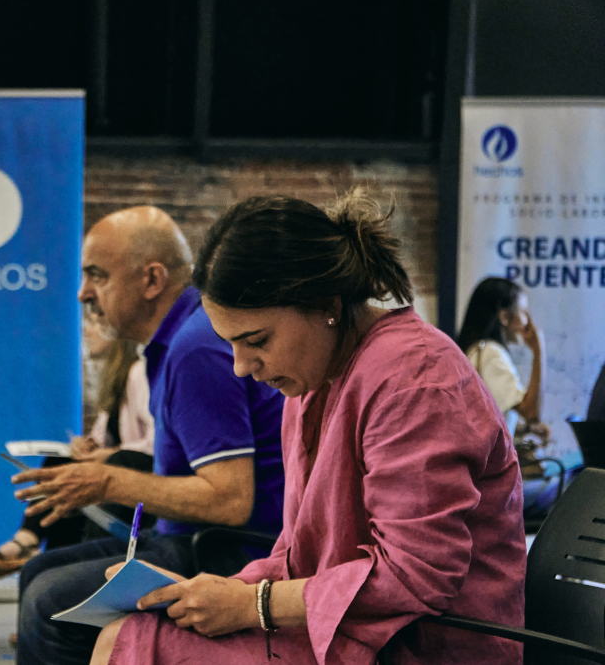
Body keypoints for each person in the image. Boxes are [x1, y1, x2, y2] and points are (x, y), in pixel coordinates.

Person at [92, 192, 525, 665]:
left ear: (325, 304)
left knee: (128, 645)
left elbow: (414, 576)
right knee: (135, 630)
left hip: (424, 647)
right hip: (354, 634)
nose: (240, 367)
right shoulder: (313, 382)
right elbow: (299, 556)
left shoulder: (415, 381)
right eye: (230, 345)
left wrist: (251, 604)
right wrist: (206, 595)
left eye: (256, 340)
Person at [12, 206, 285, 665]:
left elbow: (230, 500)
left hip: (228, 550)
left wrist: (107, 482)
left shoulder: (195, 348)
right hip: (192, 537)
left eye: (97, 276)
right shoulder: (178, 342)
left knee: (48, 600)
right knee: (39, 571)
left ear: (152, 280)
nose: (82, 294)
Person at [0, 330, 155, 578]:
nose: (85, 331)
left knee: (110, 461)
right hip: (119, 465)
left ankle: (27, 543)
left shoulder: (139, 374)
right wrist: (87, 446)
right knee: (62, 459)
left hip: (143, 474)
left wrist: (107, 454)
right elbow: (104, 438)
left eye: (94, 323)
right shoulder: (114, 380)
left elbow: (156, 443)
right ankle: (27, 539)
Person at [456, 277, 548, 441]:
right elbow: (531, 413)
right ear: (504, 317)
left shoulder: (477, 349)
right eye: (523, 312)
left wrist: (526, 429)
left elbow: (493, 421)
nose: (528, 321)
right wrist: (538, 350)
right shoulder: (491, 354)